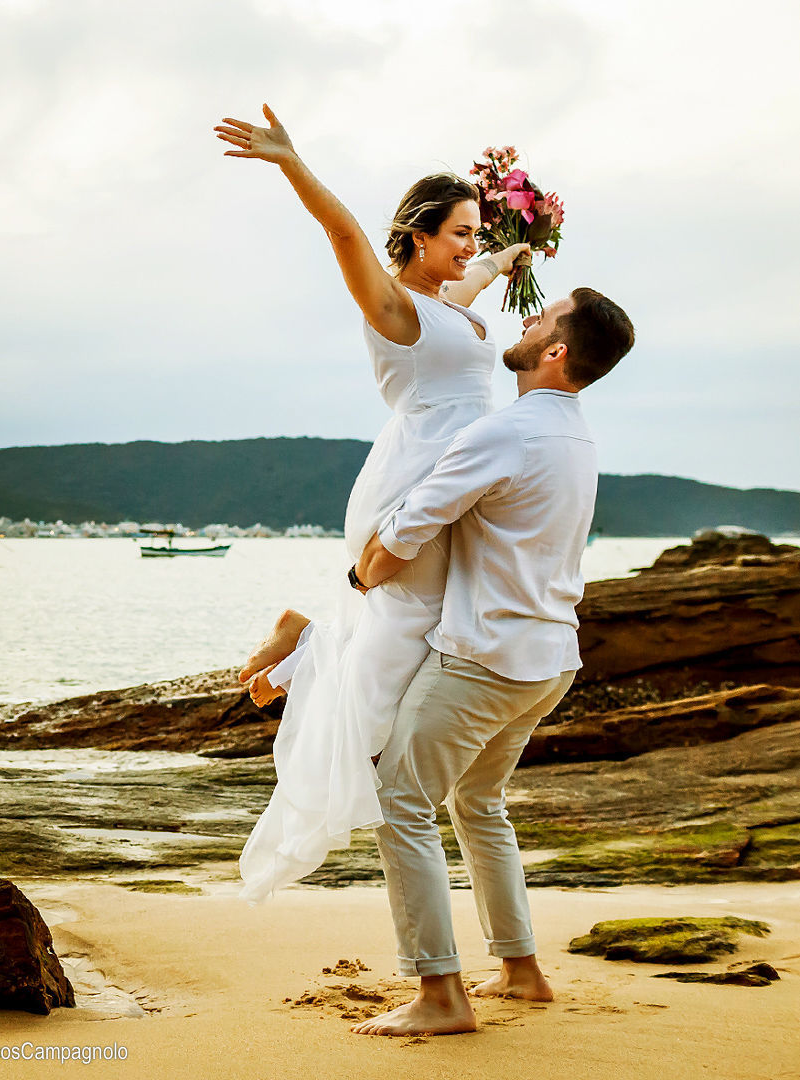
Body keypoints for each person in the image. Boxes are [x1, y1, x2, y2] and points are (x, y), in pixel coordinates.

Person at [212, 105, 530, 899]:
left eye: (471, 232)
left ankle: (305, 643)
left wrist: (512, 247)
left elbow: (483, 273)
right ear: (419, 235)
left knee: (423, 632)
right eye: (457, 232)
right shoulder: (393, 305)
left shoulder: (452, 298)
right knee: (405, 642)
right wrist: (290, 162)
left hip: (459, 476)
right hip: (414, 481)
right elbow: (344, 234)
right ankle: (310, 650)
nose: (467, 246)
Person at [348, 287, 635, 1036]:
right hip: (548, 660)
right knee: (478, 803)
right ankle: (520, 971)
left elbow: (408, 527)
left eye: (540, 319)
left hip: (486, 658)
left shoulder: (505, 432)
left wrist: (357, 579)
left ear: (555, 352)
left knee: (398, 802)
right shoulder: (577, 435)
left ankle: (439, 994)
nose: (526, 321)